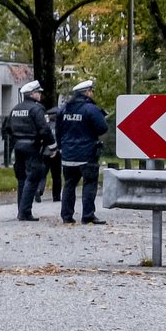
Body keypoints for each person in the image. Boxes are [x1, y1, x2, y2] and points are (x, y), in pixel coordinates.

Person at [55, 78, 108, 225]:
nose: (93, 94)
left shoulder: (64, 110)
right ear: (87, 92)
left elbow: (58, 131)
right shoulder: (91, 109)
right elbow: (102, 128)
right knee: (89, 183)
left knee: (69, 184)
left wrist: (62, 147)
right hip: (87, 153)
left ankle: (66, 216)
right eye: (92, 91)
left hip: (68, 154)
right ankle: (88, 215)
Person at [3, 79, 53, 221]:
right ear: (32, 94)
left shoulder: (16, 109)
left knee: (21, 178)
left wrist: (17, 138)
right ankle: (25, 212)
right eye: (38, 92)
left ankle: (21, 209)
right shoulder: (37, 109)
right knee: (33, 177)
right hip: (33, 146)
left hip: (18, 146)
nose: (40, 95)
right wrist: (52, 145)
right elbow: (44, 129)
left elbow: (7, 128)